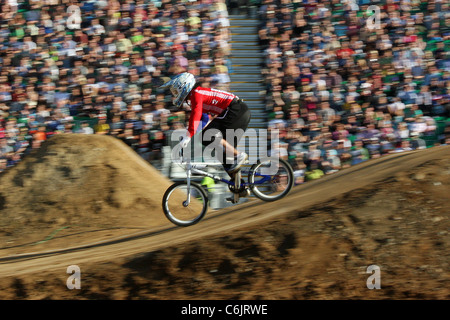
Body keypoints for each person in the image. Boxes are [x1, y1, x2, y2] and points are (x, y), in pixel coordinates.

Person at [159, 72, 251, 176]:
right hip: (239, 112)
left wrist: (188, 136)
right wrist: (190, 136)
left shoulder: (196, 93)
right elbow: (203, 118)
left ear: (183, 86)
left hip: (235, 110)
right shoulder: (196, 95)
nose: (175, 95)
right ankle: (240, 187)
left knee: (207, 135)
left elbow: (196, 114)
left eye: (175, 91)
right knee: (224, 158)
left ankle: (239, 155)